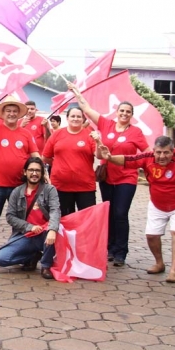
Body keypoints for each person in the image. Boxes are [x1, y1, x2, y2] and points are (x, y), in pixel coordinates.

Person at [98, 135, 175, 283]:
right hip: (157, 203)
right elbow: (128, 160)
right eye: (158, 152)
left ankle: (174, 270)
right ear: (154, 151)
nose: (162, 156)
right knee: (151, 236)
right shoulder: (147, 157)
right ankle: (159, 263)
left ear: (173, 151)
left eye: (166, 153)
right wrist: (110, 157)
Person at [68, 82, 150, 267]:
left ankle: (121, 252)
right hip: (107, 178)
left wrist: (145, 167)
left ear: (131, 115)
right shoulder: (106, 124)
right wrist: (77, 93)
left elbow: (148, 152)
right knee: (109, 213)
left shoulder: (136, 132)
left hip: (127, 178)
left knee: (120, 213)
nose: (124, 114)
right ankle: (110, 248)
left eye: (128, 112)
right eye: (121, 111)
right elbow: (86, 109)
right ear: (117, 112)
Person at [0, 96, 40, 262]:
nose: (12, 114)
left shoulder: (26, 134)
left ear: (19, 114)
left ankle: (17, 252)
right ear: (3, 114)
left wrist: (44, 173)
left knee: (19, 222)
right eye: (8, 111)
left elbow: (35, 155)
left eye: (14, 111)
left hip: (19, 186)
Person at [0, 157, 60, 279]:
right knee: (1, 259)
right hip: (25, 235)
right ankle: (33, 256)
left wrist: (52, 229)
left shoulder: (50, 190)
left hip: (45, 234)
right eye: (31, 170)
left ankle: (46, 265)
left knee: (52, 235)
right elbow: (10, 216)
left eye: (38, 171)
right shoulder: (17, 192)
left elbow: (55, 210)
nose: (34, 173)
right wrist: (29, 227)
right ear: (25, 172)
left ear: (42, 173)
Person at [41, 106, 98, 217]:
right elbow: (45, 157)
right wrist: (59, 164)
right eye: (72, 116)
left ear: (83, 119)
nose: (75, 119)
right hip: (61, 186)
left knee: (87, 220)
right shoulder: (57, 134)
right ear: (67, 118)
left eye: (78, 116)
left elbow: (98, 155)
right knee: (63, 220)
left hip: (85, 186)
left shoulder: (90, 135)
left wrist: (99, 142)